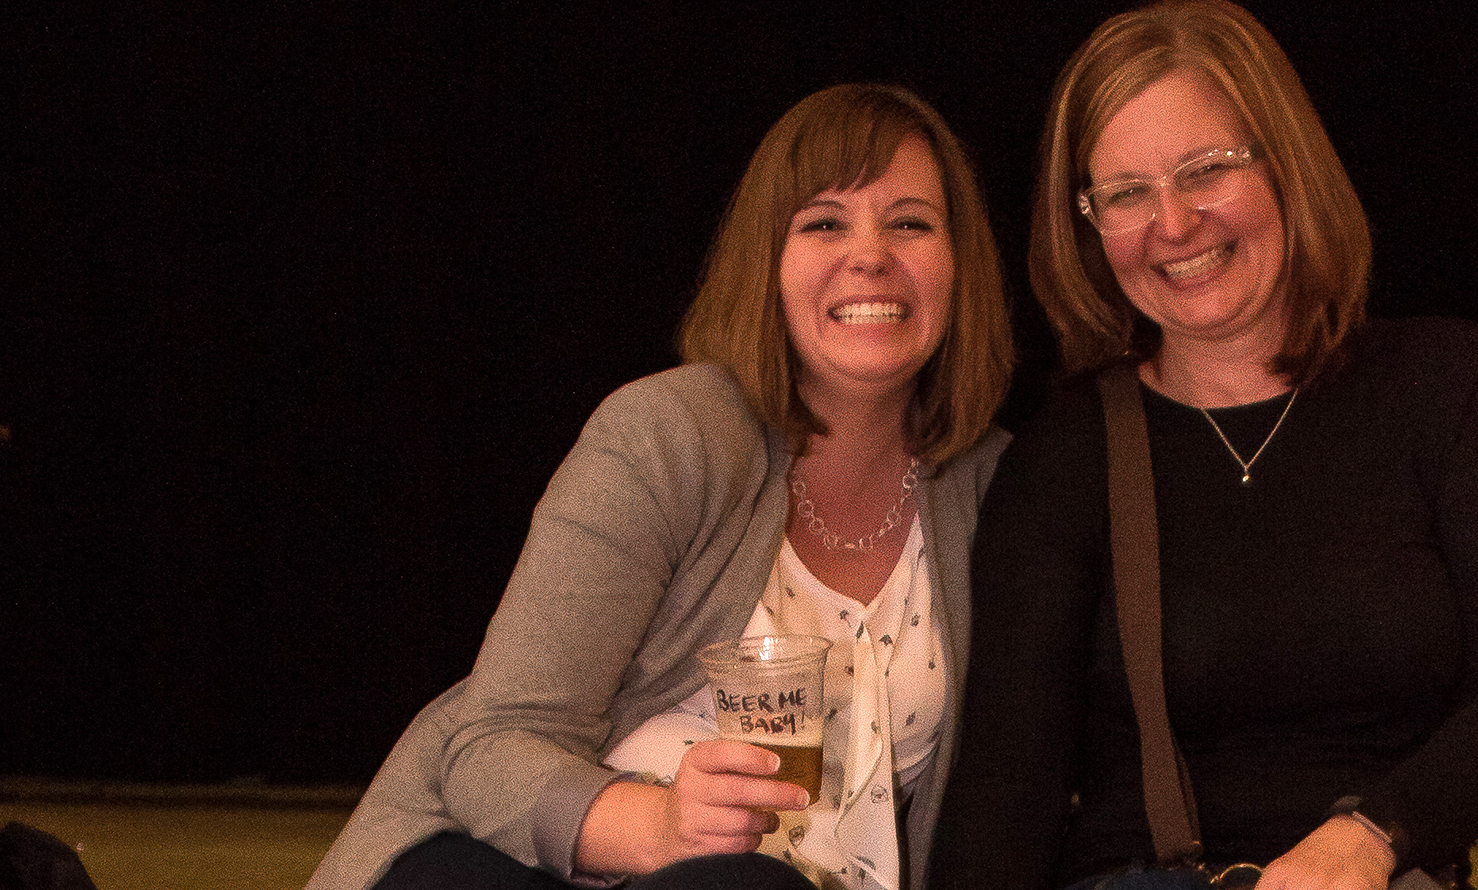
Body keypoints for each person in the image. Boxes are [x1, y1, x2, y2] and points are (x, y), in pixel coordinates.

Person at [927, 0, 1478, 890]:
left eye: (1206, 170)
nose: (1173, 223)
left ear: (1286, 164)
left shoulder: (1444, 383)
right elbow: (1007, 791)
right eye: (1127, 194)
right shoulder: (1069, 451)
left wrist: (1368, 841)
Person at [308, 83, 1014, 890]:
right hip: (537, 864)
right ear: (766, 264)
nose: (871, 255)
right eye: (824, 223)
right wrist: (663, 825)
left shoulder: (998, 487)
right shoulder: (667, 436)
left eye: (910, 223)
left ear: (962, 263)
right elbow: (490, 748)